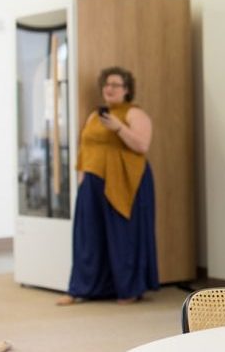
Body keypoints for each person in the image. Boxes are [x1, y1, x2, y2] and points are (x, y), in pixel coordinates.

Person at [57, 66, 159, 305]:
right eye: (107, 84)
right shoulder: (94, 116)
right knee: (88, 237)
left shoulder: (134, 114)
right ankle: (82, 289)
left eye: (116, 85)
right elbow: (86, 148)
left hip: (125, 182)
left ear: (126, 90)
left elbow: (142, 146)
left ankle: (129, 289)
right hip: (92, 181)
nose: (110, 89)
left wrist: (118, 127)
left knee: (123, 236)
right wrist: (82, 179)